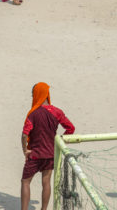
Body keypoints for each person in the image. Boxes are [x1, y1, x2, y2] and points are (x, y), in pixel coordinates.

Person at [21, 82, 75, 210]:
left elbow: (24, 135)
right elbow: (70, 128)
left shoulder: (33, 113)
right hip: (50, 154)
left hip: (35, 155)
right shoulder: (57, 112)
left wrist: (25, 150)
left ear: (36, 95)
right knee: (46, 182)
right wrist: (60, 141)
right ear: (47, 94)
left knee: (25, 182)